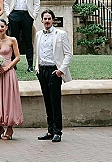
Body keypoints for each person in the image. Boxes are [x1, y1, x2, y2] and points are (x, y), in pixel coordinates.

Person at [35, 9, 72, 143]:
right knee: (47, 101)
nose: (47, 21)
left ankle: (58, 131)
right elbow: (37, 53)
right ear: (41, 20)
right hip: (42, 70)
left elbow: (68, 54)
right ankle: (50, 130)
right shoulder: (39, 34)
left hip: (54, 71)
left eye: (49, 18)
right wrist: (36, 68)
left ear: (53, 20)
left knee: (55, 102)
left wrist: (61, 70)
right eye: (45, 19)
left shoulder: (60, 34)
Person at [4, 0, 40, 72]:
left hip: (27, 15)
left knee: (28, 40)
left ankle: (30, 65)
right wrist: (8, 14)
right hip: (14, 14)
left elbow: (37, 3)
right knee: (13, 40)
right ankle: (13, 64)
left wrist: (33, 15)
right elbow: (6, 2)